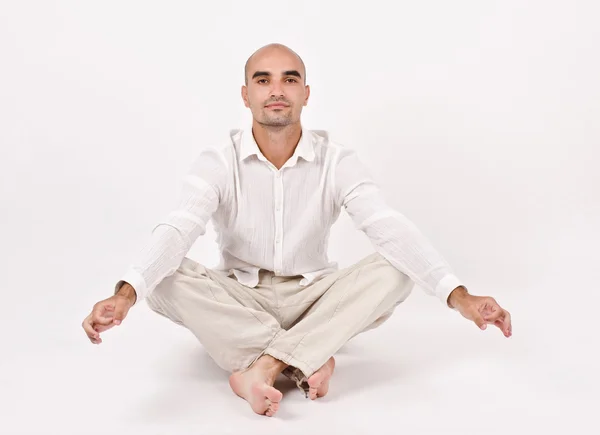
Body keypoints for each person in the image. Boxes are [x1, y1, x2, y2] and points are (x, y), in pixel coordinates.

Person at [82, 43, 512, 417]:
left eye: (289, 80)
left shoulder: (336, 160)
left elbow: (386, 226)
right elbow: (179, 227)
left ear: (305, 94)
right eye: (263, 80)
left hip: (314, 298)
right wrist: (124, 296)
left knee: (397, 269)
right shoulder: (217, 160)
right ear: (246, 95)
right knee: (159, 277)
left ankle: (263, 367)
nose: (276, 90)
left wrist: (460, 297)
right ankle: (307, 358)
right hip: (239, 296)